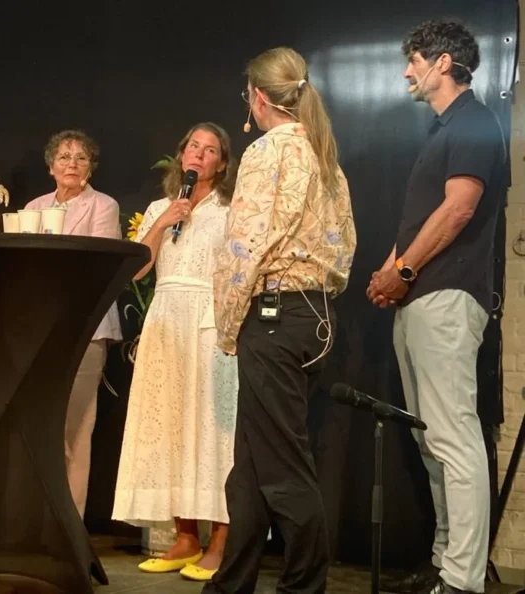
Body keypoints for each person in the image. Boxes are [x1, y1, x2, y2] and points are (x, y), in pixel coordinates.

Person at [204, 48, 356, 594]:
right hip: (314, 317)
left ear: (257, 97)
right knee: (250, 470)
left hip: (274, 318)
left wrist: (228, 325)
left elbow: (244, 247)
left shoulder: (268, 150)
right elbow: (345, 245)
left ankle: (304, 587)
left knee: (284, 470)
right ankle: (230, 585)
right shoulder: (324, 152)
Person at [367, 20, 505, 594]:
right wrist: (390, 273)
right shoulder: (444, 129)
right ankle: (446, 562)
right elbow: (425, 217)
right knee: (431, 442)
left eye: (415, 60)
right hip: (423, 299)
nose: (407, 72)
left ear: (443, 62)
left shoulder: (475, 121)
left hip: (448, 298)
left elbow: (458, 210)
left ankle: (462, 580)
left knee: (453, 438)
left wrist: (401, 272)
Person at [112, 122, 238, 582]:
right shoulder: (159, 208)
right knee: (170, 425)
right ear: (181, 154)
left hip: (209, 321)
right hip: (166, 320)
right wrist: (163, 223)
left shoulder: (231, 208)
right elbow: (136, 271)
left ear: (221, 163)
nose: (199, 155)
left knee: (212, 430)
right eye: (193, 147)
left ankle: (221, 541)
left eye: (210, 150)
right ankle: (185, 537)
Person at [24, 129, 122, 519]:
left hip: (86, 326)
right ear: (51, 167)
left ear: (90, 167)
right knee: (41, 426)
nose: (72, 164)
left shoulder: (103, 205)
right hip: (40, 327)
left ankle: (69, 522)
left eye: (81, 157)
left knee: (77, 430)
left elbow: (100, 265)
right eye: (64, 157)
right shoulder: (34, 208)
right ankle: (38, 517)